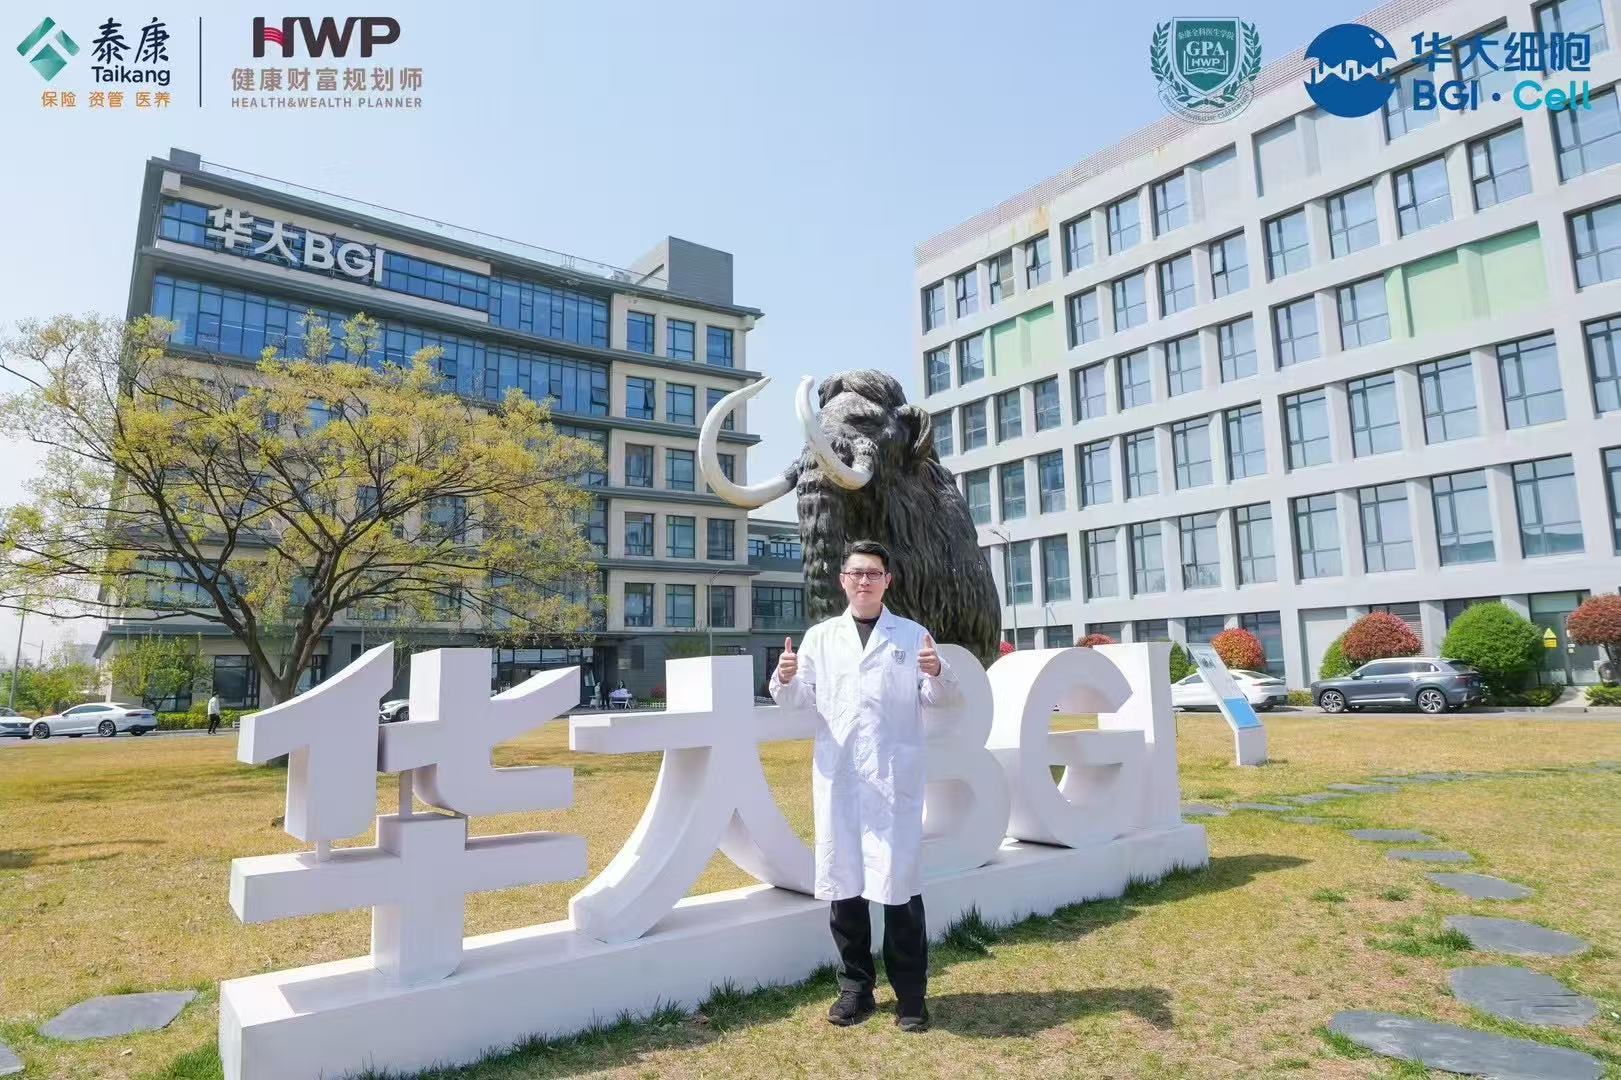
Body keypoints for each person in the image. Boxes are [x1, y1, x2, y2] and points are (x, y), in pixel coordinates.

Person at [769, 539, 958, 1032]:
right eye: (856, 573)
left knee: (900, 892)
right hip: (842, 779)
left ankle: (912, 997)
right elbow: (797, 701)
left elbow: (937, 697)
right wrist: (785, 679)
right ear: (843, 580)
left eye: (874, 573)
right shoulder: (820, 637)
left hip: (893, 780)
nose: (865, 581)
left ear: (887, 581)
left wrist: (938, 672)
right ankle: (856, 989)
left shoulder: (911, 635)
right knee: (846, 889)